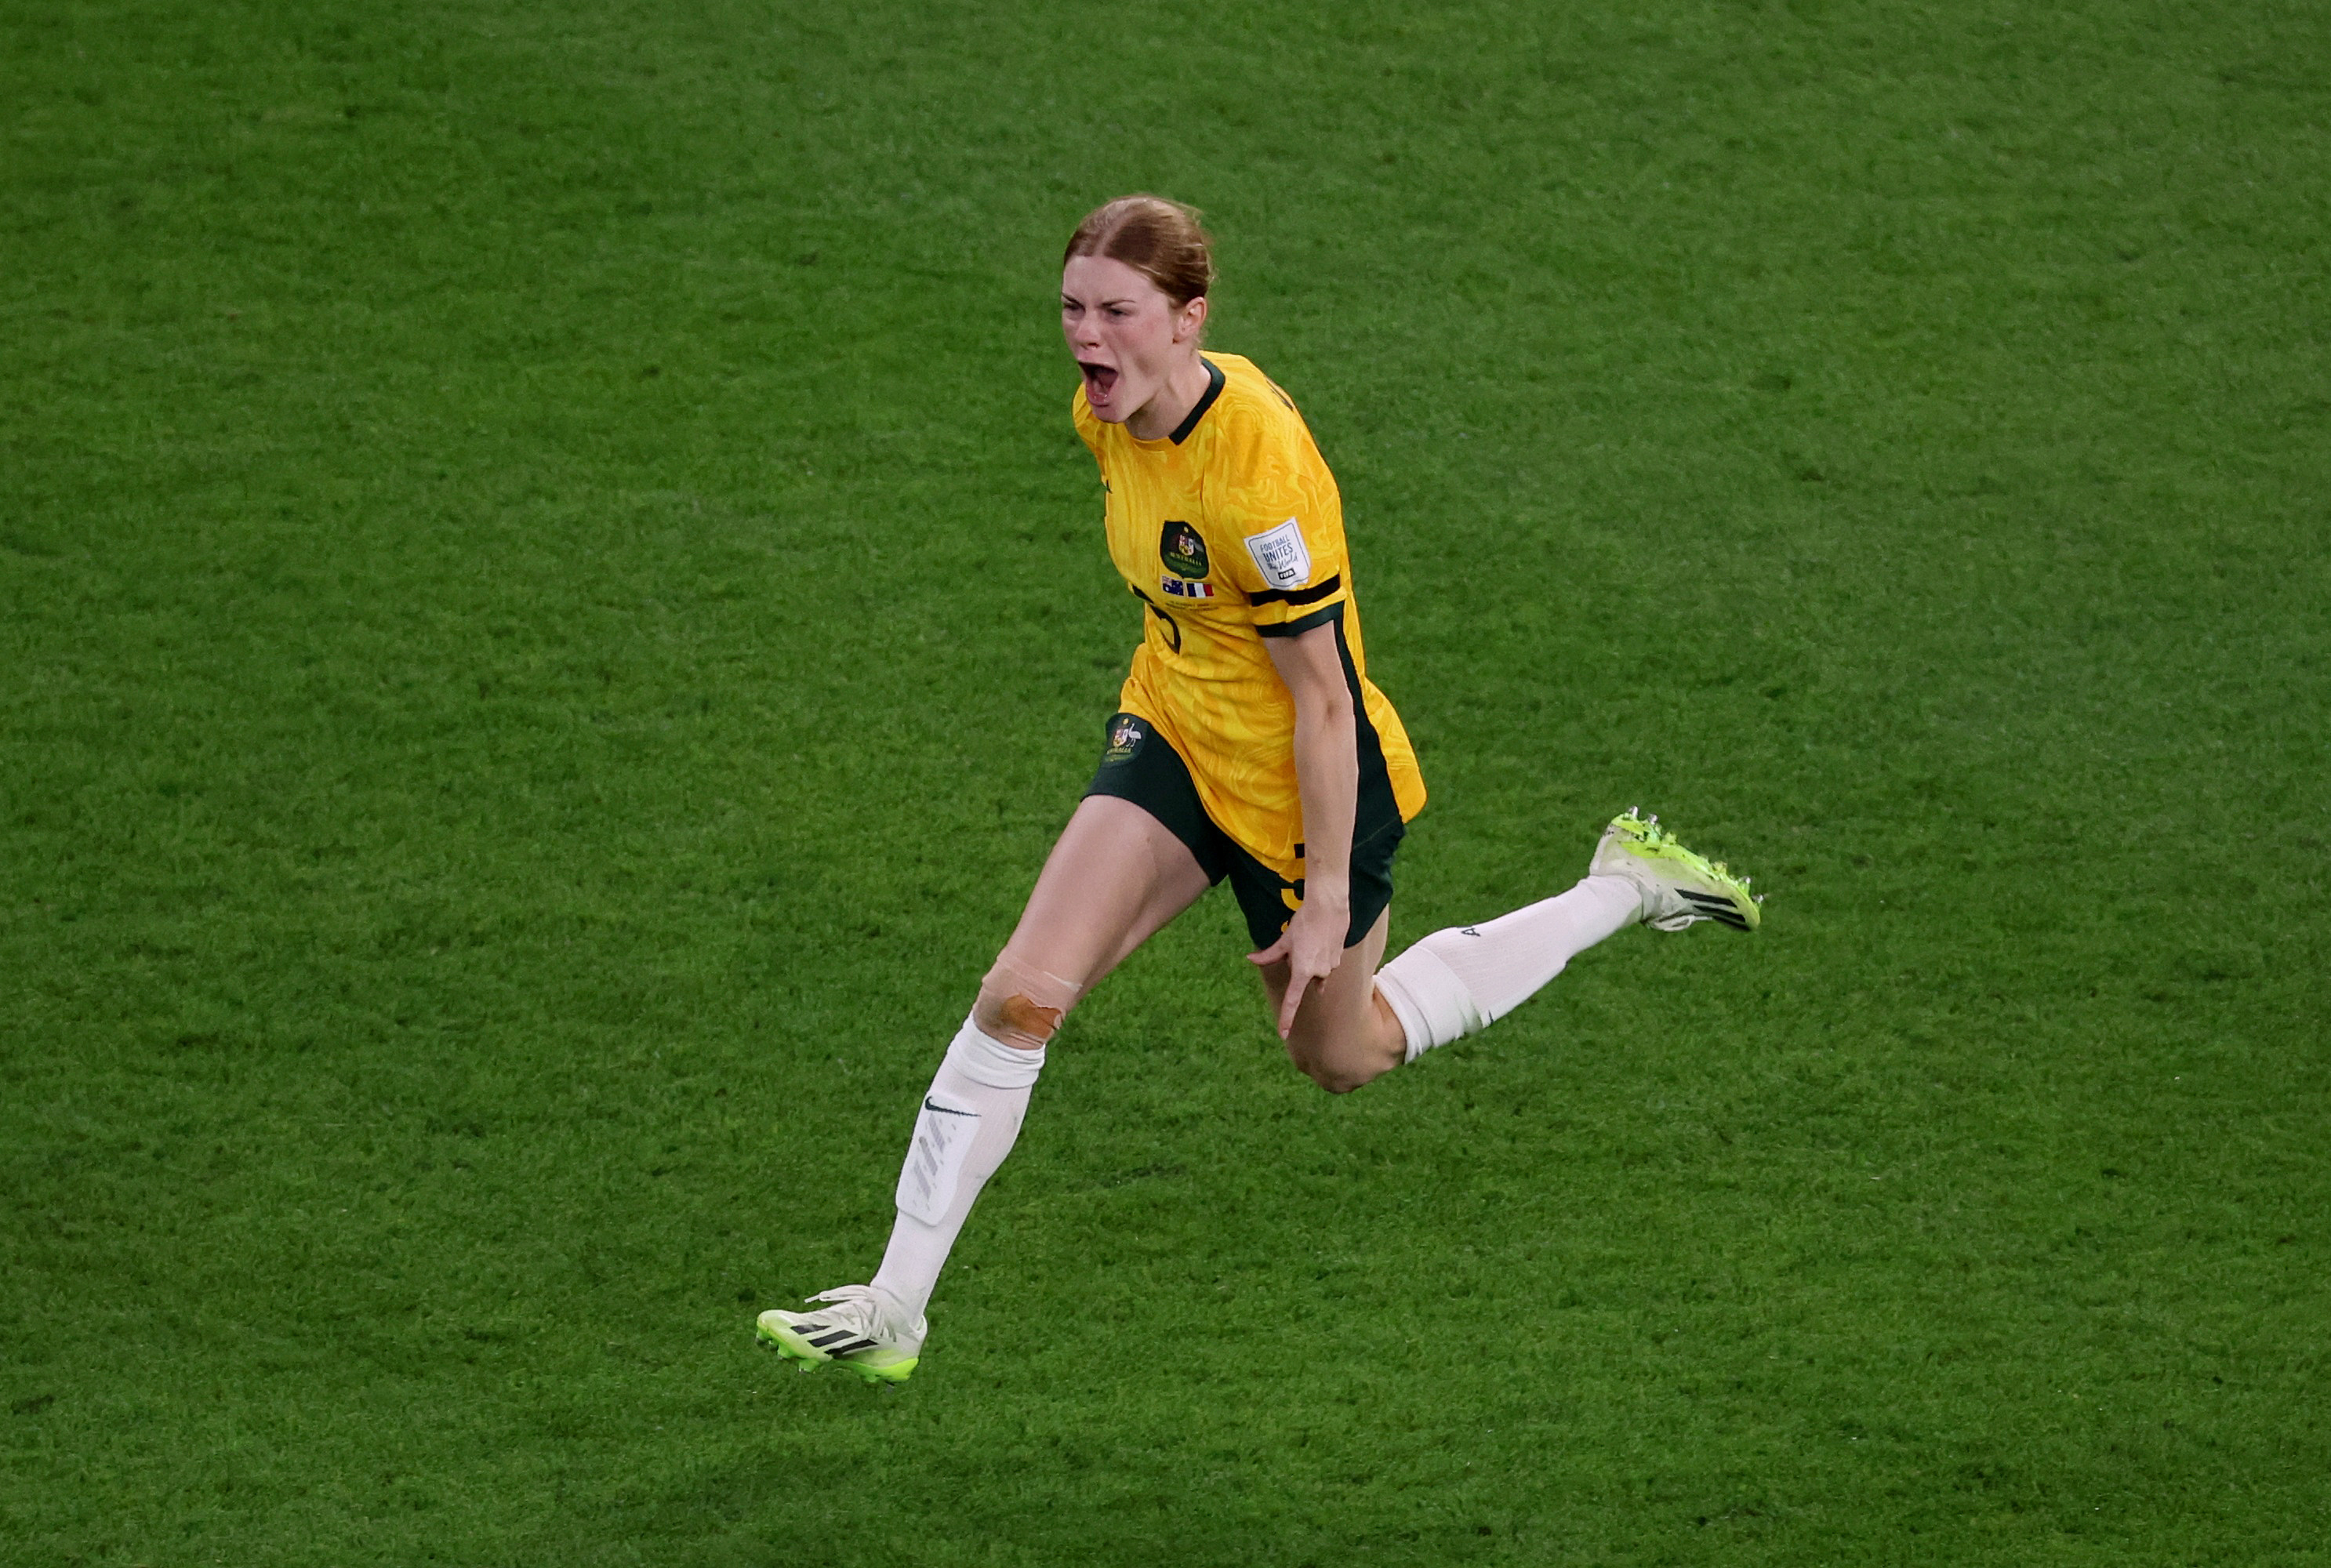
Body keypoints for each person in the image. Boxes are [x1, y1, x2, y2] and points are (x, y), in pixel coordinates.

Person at [755, 195, 1759, 1384]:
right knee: (1022, 994)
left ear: (1189, 320)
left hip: (1306, 787)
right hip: (1177, 738)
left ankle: (1623, 887)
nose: (1089, 337)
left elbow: (1325, 703)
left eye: (1118, 312)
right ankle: (893, 1307)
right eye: (1074, 309)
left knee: (1345, 1056)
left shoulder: (1258, 480)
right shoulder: (1107, 417)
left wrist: (1324, 898)